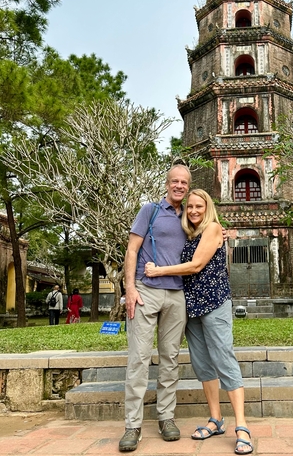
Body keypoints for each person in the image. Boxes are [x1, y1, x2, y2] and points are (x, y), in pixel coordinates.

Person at [145, 189, 253, 455]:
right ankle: (215, 419)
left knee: (224, 359)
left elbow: (195, 266)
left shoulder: (214, 229)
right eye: (190, 207)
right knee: (203, 364)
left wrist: (159, 271)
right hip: (192, 306)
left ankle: (242, 426)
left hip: (215, 303)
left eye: (199, 206)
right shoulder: (189, 233)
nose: (193, 210)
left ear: (208, 208)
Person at [118, 164, 191, 452]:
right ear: (166, 184)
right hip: (146, 291)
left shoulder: (190, 215)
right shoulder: (149, 211)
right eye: (175, 181)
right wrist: (130, 288)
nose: (179, 186)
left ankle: (166, 418)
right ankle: (132, 425)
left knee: (170, 358)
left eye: (184, 182)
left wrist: (220, 236)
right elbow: (132, 249)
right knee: (138, 357)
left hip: (176, 294)